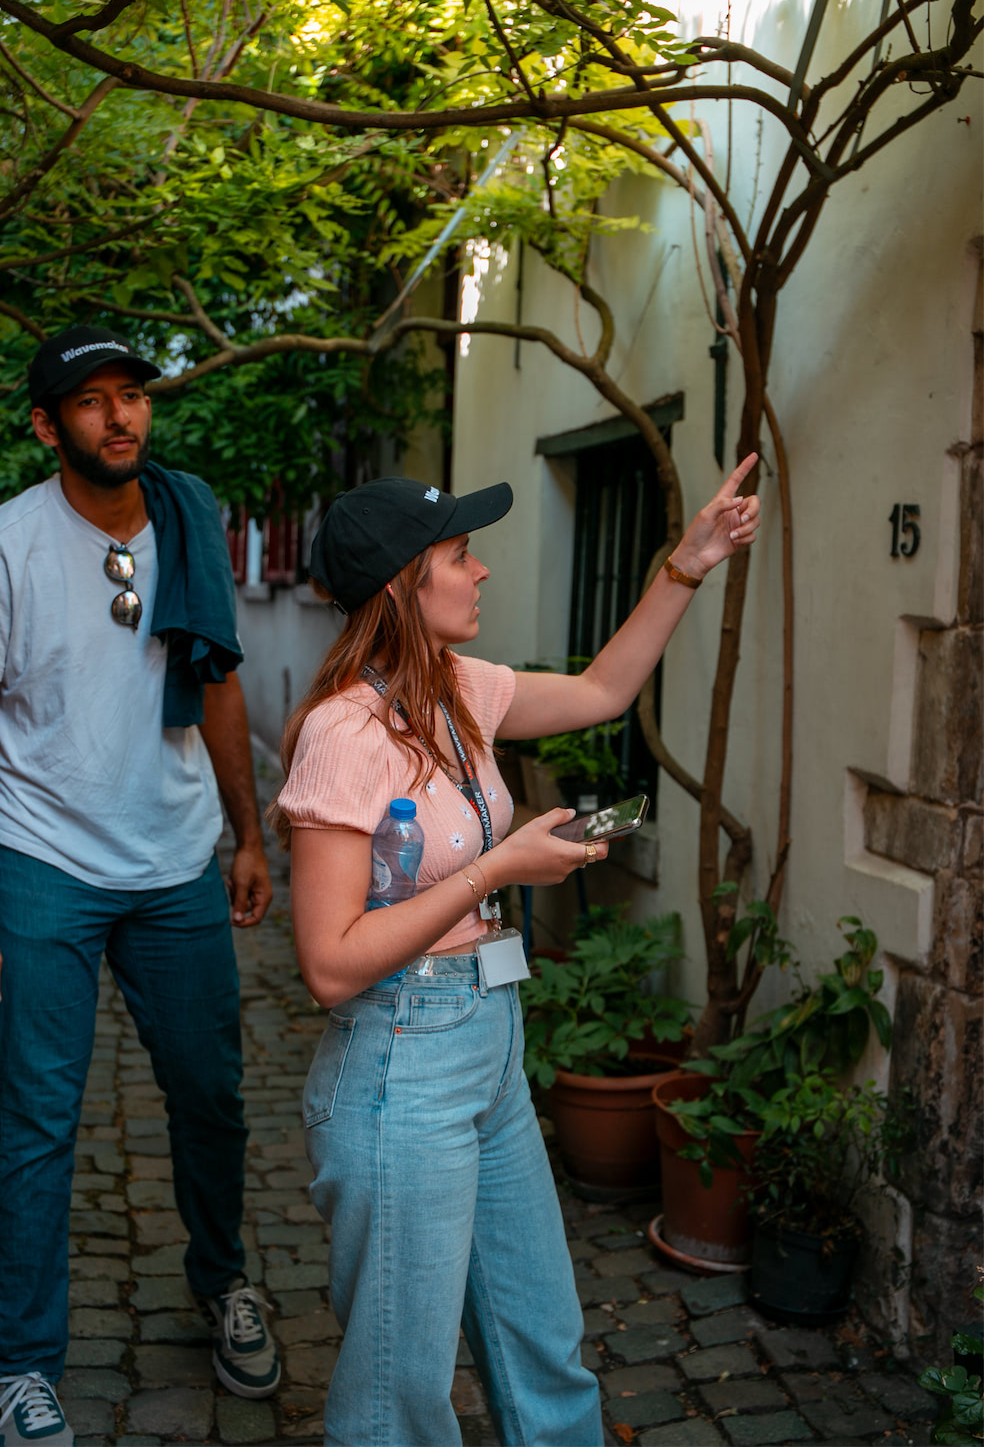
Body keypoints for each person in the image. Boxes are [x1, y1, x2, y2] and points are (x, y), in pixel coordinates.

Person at [268, 459, 760, 1447]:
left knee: (542, 1338)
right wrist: (496, 869)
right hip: (400, 1062)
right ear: (407, 585)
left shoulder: (458, 689)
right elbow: (328, 963)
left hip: (487, 1041)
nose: (482, 571)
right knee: (399, 1397)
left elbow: (600, 689)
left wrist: (686, 563)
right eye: (459, 556)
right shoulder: (341, 735)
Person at [0, 327, 280, 1447]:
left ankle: (224, 1281)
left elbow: (214, 687)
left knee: (210, 1096)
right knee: (36, 1120)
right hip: (37, 861)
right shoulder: (5, 549)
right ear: (46, 425)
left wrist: (248, 836)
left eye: (134, 397)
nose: (123, 419)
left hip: (173, 860)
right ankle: (21, 1368)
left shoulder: (187, 524)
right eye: (94, 403)